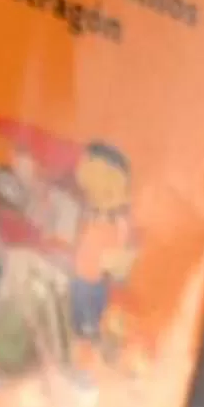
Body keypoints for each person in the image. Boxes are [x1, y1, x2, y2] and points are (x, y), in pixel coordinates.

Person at [67, 142, 138, 372]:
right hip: (79, 276)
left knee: (88, 327)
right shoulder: (90, 211)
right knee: (77, 324)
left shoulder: (118, 220)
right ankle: (83, 353)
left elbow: (121, 255)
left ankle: (93, 358)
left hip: (94, 282)